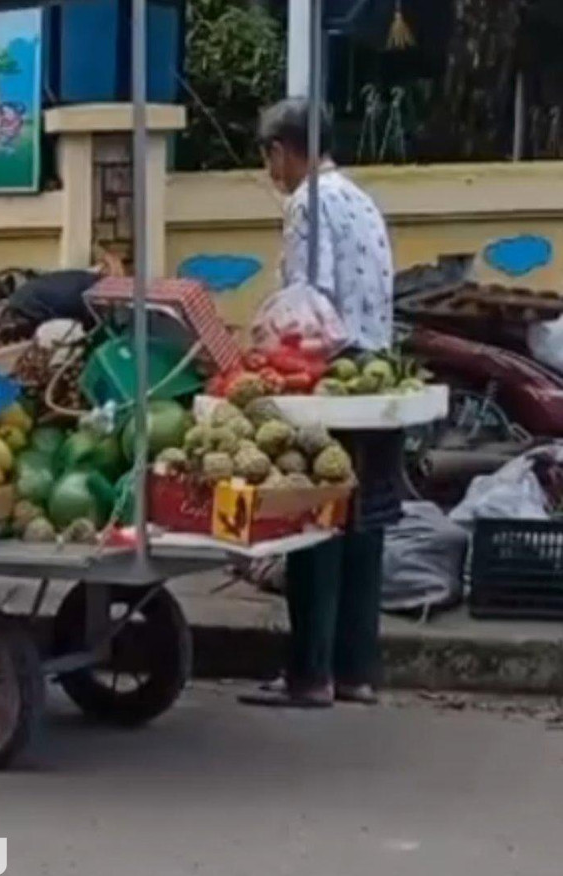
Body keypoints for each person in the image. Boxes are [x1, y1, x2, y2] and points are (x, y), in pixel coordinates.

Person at [240, 97, 397, 709]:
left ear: (282, 150)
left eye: (268, 155)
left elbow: (312, 301)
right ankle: (357, 671)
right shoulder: (359, 197)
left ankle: (310, 675)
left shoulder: (306, 201)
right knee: (364, 527)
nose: (269, 168)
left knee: (312, 522)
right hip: (377, 374)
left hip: (333, 376)